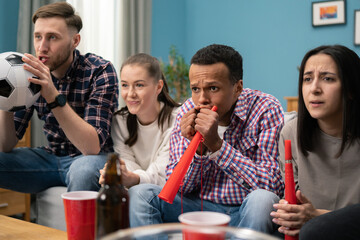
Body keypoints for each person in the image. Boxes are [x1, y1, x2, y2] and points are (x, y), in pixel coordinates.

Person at [129, 44, 285, 234]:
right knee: (140, 195)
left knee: (263, 200)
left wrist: (217, 146)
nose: (202, 99)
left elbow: (272, 186)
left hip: (245, 210)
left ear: (237, 88)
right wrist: (199, 150)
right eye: (195, 89)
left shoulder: (265, 109)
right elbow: (178, 188)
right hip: (198, 209)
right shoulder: (187, 112)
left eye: (212, 88)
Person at [0, 2, 118, 193]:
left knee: (83, 171)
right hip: (50, 159)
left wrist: (52, 94)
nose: (42, 47)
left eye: (52, 37)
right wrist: (5, 98)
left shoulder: (100, 71)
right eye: (38, 37)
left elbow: (91, 148)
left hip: (92, 159)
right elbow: (5, 145)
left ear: (75, 41)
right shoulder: (27, 74)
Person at [271, 45, 360, 239]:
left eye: (327, 78)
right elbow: (294, 199)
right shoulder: (291, 133)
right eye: (307, 79)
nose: (314, 89)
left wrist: (316, 216)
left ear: (351, 89)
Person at [99, 53, 180, 188]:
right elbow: (127, 163)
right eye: (125, 85)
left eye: (139, 85)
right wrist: (125, 175)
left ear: (158, 87)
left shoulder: (177, 119)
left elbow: (164, 174)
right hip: (139, 188)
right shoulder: (119, 121)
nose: (130, 94)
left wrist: (136, 179)